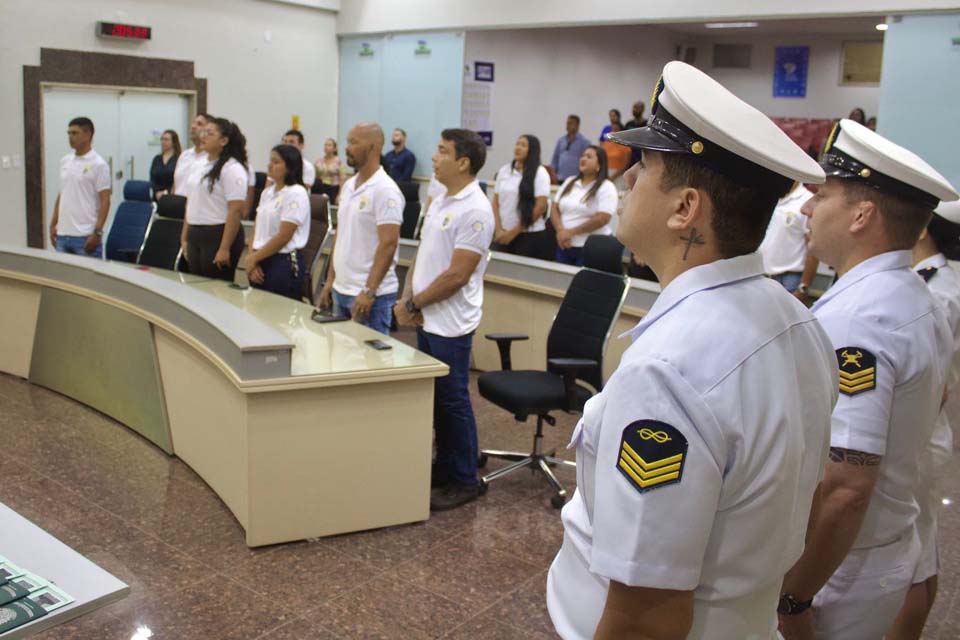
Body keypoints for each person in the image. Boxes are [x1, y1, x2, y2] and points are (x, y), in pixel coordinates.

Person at [547, 60, 837, 640]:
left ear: (685, 209)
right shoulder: (798, 321)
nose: (627, 180)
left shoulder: (667, 370)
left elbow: (646, 615)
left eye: (646, 167)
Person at [778, 119, 958, 640]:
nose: (809, 209)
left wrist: (795, 597)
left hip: (838, 568)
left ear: (862, 214)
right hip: (872, 550)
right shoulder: (908, 293)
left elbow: (846, 487)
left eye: (824, 195)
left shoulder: (862, 319)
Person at [394, 128, 494, 511]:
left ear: (463, 162)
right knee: (436, 398)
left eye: (441, 152)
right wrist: (409, 297)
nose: (434, 158)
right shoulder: (440, 197)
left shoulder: (476, 209)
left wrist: (415, 303)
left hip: (450, 322)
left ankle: (466, 478)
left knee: (453, 400)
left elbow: (457, 275)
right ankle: (447, 464)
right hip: (427, 316)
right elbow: (424, 253)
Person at [887, 200, 960, 639]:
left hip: (921, 428)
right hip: (926, 426)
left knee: (914, 555)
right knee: (921, 547)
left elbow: (938, 380)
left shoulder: (938, 289)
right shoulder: (938, 281)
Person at [318, 123, 403, 334]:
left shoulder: (385, 190)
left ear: (372, 147)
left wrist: (369, 291)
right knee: (342, 360)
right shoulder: (348, 186)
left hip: (370, 297)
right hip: (341, 290)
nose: (347, 148)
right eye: (347, 142)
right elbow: (340, 234)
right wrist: (330, 280)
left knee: (369, 364)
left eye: (354, 142)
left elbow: (388, 244)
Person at [179, 117, 249, 281]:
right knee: (196, 284)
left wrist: (224, 248)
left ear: (223, 140)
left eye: (209, 134)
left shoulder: (232, 168)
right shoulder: (199, 164)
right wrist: (184, 238)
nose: (203, 136)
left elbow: (236, 210)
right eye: (203, 132)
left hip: (218, 233)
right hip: (195, 232)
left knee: (215, 288)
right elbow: (191, 204)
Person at [245, 144, 311, 300]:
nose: (270, 165)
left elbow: (284, 236)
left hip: (282, 262)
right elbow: (257, 227)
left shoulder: (296, 192)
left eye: (276, 162)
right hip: (259, 258)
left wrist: (254, 258)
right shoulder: (267, 192)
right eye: (270, 160)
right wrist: (251, 257)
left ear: (289, 167)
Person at [49, 117, 111, 258]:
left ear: (88, 135)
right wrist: (53, 223)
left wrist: (97, 232)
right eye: (69, 133)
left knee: (88, 279)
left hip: (85, 236)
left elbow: (105, 200)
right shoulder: (65, 161)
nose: (70, 137)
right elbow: (62, 194)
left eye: (75, 133)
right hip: (63, 235)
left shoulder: (98, 164)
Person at [550, 145, 617, 266]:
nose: (583, 159)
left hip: (591, 247)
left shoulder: (606, 186)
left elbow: (603, 218)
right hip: (565, 243)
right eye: (582, 156)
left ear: (599, 165)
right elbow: (554, 208)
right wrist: (561, 231)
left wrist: (571, 232)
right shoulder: (570, 181)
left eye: (589, 156)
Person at [492, 134, 551, 259]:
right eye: (517, 144)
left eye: (523, 145)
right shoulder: (504, 170)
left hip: (528, 235)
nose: (518, 148)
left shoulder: (540, 173)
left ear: (532, 150)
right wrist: (498, 229)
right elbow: (496, 202)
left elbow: (540, 207)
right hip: (502, 232)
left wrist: (514, 232)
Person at [757, 181, 815, 292]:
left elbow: (813, 248)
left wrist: (804, 287)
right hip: (762, 275)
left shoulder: (806, 201)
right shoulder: (770, 195)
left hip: (789, 280)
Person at [173, 113, 212, 195]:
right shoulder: (184, 155)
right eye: (193, 123)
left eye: (199, 124)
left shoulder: (211, 157)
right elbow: (176, 184)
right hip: (178, 204)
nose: (193, 127)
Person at [550, 115, 591, 183]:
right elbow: (555, 159)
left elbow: (586, 161)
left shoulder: (585, 142)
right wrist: (553, 174)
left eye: (571, 123)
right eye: (567, 123)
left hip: (576, 179)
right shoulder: (561, 140)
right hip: (560, 178)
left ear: (577, 125)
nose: (568, 126)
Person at [150, 129, 181, 201]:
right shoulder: (157, 159)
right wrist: (156, 192)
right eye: (162, 139)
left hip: (172, 197)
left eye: (166, 140)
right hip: (156, 197)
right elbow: (152, 179)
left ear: (173, 142)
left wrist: (166, 192)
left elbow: (179, 180)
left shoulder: (179, 159)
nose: (163, 142)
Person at [315, 137, 346, 202]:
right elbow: (315, 177)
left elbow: (342, 180)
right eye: (325, 145)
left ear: (334, 148)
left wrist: (339, 195)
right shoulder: (318, 161)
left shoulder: (339, 162)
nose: (326, 147)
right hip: (321, 188)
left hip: (334, 189)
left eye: (329, 145)